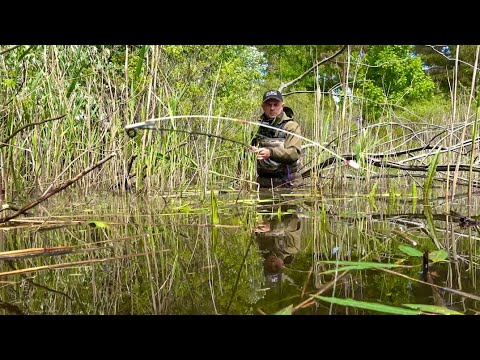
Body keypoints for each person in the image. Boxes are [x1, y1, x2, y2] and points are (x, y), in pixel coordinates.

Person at [250, 90, 303, 189]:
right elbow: (246, 156)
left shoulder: (291, 126)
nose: (272, 108)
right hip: (263, 184)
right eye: (268, 104)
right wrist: (251, 152)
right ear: (263, 106)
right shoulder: (256, 127)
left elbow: (293, 153)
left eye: (276, 104)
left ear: (282, 105)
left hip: (288, 183)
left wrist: (270, 153)